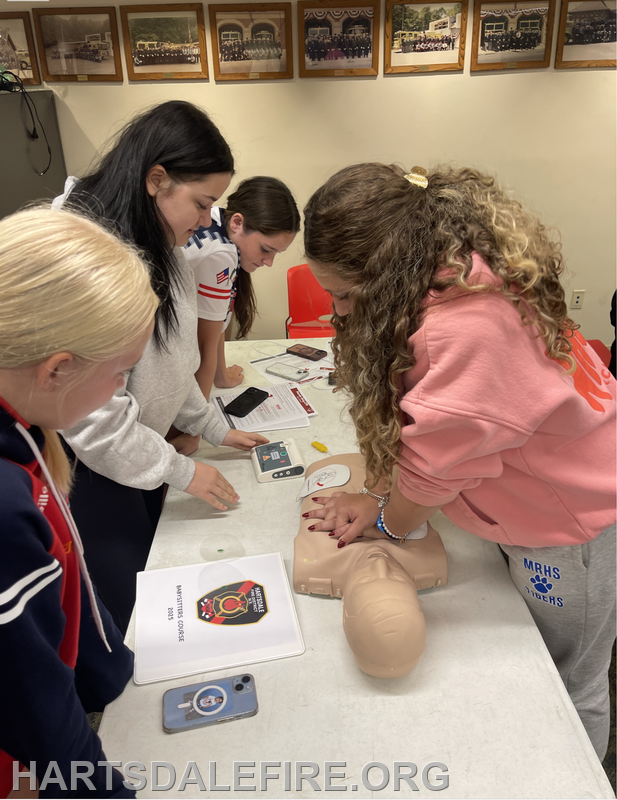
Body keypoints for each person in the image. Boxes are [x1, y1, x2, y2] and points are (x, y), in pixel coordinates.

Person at [302, 163, 616, 760]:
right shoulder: (458, 271)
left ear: (388, 272)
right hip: (546, 500)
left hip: (573, 529)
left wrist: (389, 519)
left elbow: (433, 469)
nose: (338, 312)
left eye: (343, 294)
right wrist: (380, 495)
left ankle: (576, 776)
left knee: (571, 679)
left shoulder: (466, 326)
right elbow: (438, 432)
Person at [55, 101, 268, 635]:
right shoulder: (83, 261)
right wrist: (183, 469)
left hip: (143, 451)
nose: (206, 222)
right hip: (91, 468)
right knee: (123, 610)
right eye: (201, 204)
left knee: (155, 574)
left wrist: (211, 426)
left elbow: (172, 362)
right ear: (156, 180)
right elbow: (97, 424)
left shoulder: (162, 244)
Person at [0, 206, 159, 798]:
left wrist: (112, 671)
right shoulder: (5, 510)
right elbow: (37, 713)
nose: (120, 391)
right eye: (120, 374)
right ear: (57, 369)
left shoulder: (24, 432)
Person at [172, 177, 300, 455]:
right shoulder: (221, 254)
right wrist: (194, 432)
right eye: (266, 249)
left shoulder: (216, 217)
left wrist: (222, 375)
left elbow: (214, 322)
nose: (269, 262)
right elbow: (206, 346)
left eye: (276, 253)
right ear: (238, 223)